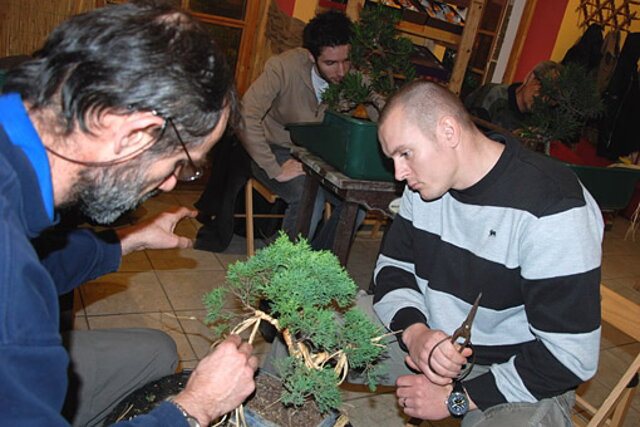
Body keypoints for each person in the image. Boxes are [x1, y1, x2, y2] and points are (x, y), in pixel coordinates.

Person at [0, 2, 257, 426]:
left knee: (154, 350)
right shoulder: (13, 292)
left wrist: (129, 239)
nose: (173, 183)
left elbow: (39, 268)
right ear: (133, 133)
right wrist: (195, 409)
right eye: (182, 163)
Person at [367, 80, 603, 425]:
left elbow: (569, 358)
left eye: (405, 153)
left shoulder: (553, 207)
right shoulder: (422, 189)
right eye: (393, 159)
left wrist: (456, 399)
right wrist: (415, 333)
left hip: (518, 367)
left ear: (447, 131)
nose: (400, 173)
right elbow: (391, 269)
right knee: (307, 332)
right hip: (432, 337)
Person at [195, 10, 354, 250]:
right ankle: (283, 271)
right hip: (275, 148)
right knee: (308, 197)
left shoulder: (356, 75)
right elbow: (245, 114)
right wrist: (274, 169)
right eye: (330, 63)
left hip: (320, 154)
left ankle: (320, 264)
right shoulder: (283, 67)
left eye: (346, 61)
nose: (341, 71)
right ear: (311, 56)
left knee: (355, 202)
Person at [464, 61, 561, 132]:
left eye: (552, 97)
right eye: (542, 89)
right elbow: (471, 135)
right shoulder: (494, 96)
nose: (544, 99)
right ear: (530, 77)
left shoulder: (539, 121)